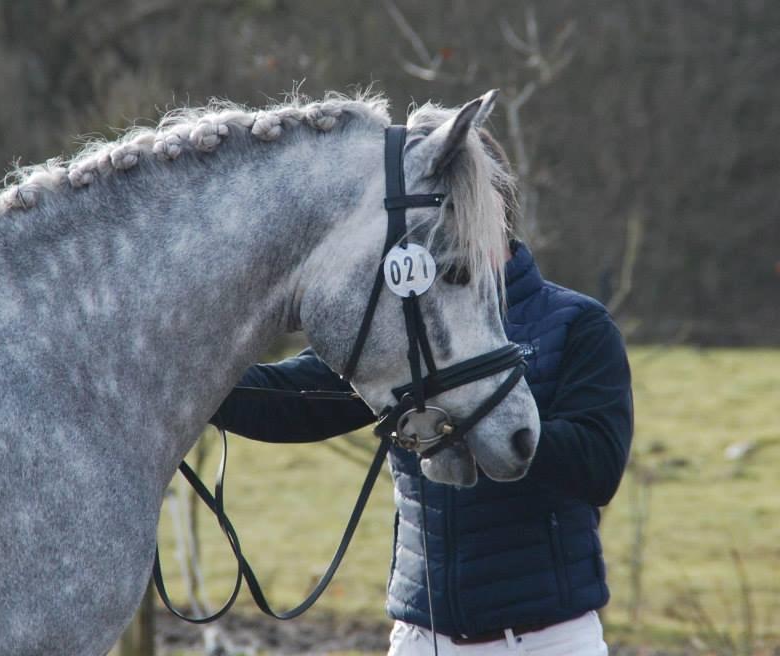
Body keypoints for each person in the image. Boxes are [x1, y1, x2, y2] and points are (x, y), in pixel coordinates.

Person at [211, 130, 633, 655]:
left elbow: (599, 463)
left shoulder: (577, 323)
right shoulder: (410, 326)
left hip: (544, 640)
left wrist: (470, 417)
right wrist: (194, 386)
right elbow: (300, 401)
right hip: (420, 638)